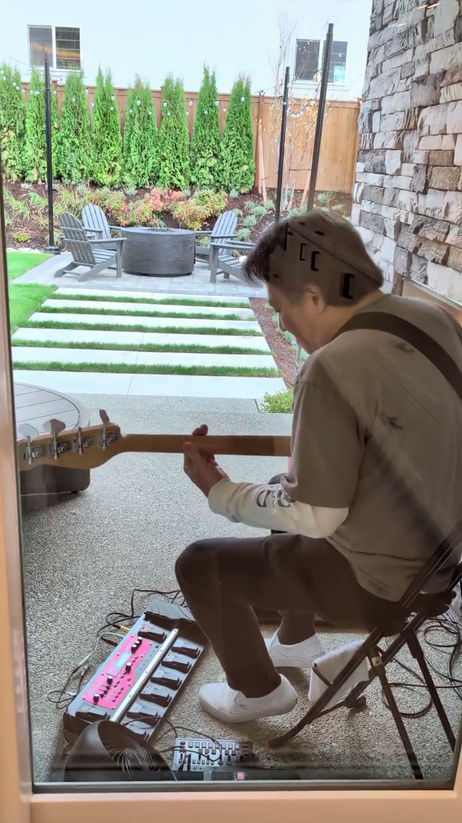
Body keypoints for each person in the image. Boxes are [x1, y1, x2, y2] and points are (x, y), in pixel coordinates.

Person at [176, 209, 462, 724]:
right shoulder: (433, 319)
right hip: (440, 568)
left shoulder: (331, 368)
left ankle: (258, 692)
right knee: (279, 488)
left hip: (380, 588)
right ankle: (295, 640)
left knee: (200, 565)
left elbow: (316, 516)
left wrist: (219, 489)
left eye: (280, 307)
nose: (281, 323)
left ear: (313, 297)